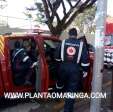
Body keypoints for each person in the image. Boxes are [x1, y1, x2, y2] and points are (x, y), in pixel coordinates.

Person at [55, 28, 90, 112]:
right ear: (76, 35)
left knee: (60, 83)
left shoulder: (63, 42)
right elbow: (85, 60)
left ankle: (57, 96)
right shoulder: (81, 44)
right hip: (75, 69)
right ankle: (67, 109)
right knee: (71, 89)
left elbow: (56, 56)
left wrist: (60, 64)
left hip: (63, 67)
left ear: (69, 34)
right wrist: (85, 70)